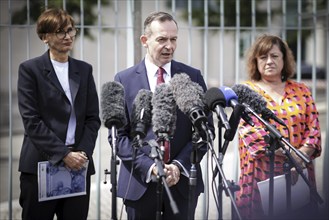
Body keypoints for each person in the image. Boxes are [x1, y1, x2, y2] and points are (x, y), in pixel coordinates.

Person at [112, 11, 214, 219]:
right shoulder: (124, 79)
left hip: (182, 185)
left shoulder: (191, 77)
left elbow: (205, 130)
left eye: (173, 39)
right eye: (162, 39)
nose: (169, 46)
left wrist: (178, 166)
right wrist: (151, 168)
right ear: (145, 40)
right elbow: (119, 137)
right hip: (140, 184)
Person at [17, 8, 100, 220]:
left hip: (78, 164)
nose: (67, 36)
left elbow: (92, 118)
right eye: (60, 31)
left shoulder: (84, 70)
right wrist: (63, 154)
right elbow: (31, 121)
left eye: (70, 30)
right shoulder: (30, 70)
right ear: (45, 37)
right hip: (41, 164)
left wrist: (80, 154)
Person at [235, 34, 322, 219]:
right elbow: (255, 139)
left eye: (274, 56)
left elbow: (313, 131)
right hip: (260, 181)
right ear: (255, 61)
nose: (269, 61)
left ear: (284, 59)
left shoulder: (301, 90)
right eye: (263, 57)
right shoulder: (246, 91)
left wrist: (300, 159)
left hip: (299, 179)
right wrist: (293, 158)